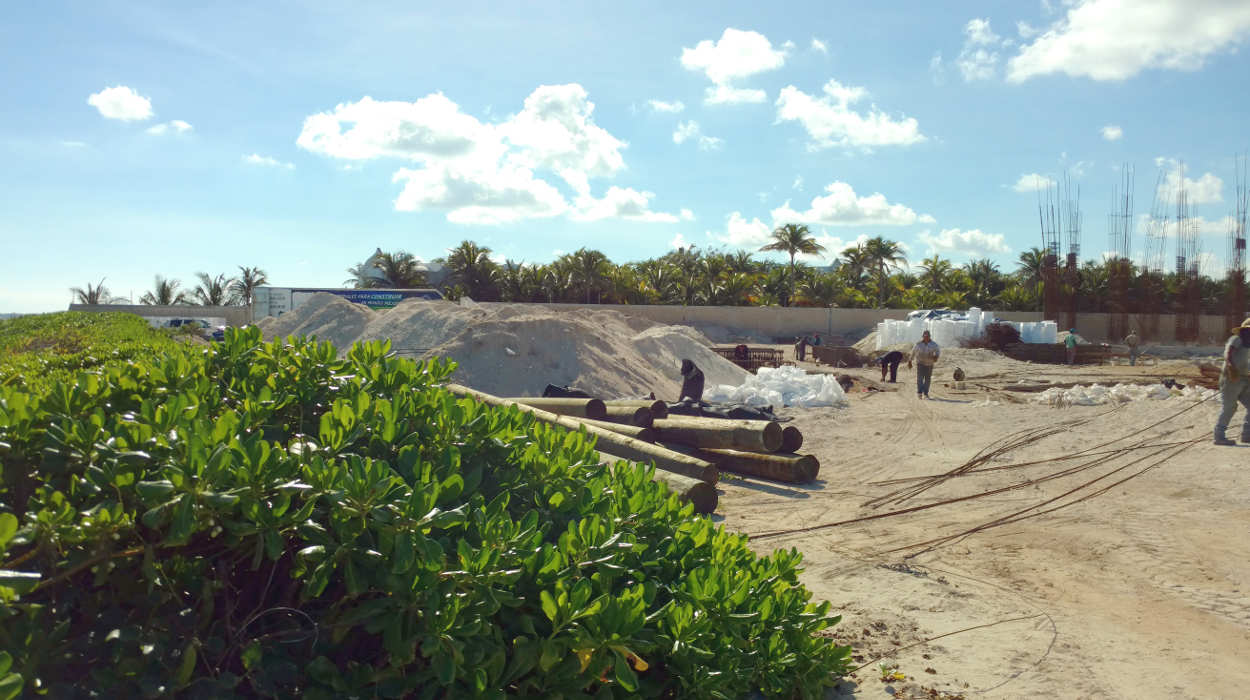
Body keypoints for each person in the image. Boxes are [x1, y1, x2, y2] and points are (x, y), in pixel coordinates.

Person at [1213, 319, 1250, 445]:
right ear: (1244, 330)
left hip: (1245, 380)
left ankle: (1247, 435)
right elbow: (1228, 354)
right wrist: (1230, 367)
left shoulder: (1248, 343)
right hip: (1231, 379)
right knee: (1230, 408)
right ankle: (1219, 436)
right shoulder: (1236, 339)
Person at [909, 330, 940, 399]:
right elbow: (913, 352)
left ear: (929, 337)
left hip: (929, 364)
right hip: (920, 363)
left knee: (927, 379)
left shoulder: (934, 344)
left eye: (927, 336)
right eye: (925, 336)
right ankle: (919, 392)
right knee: (920, 378)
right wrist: (910, 361)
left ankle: (926, 393)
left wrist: (936, 356)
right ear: (923, 336)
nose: (926, 337)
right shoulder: (918, 344)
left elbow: (938, 351)